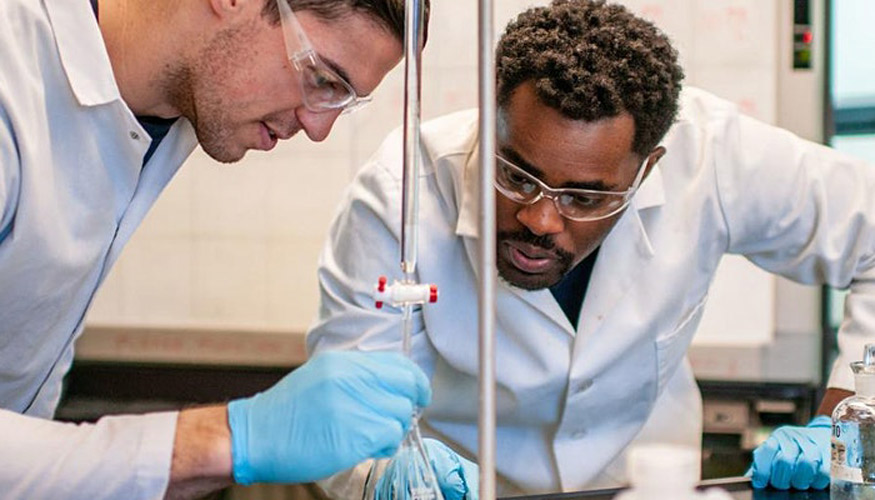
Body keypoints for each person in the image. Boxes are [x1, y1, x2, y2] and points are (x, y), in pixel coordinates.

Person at [307, 0, 875, 497]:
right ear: (491, 119)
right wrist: (382, 475)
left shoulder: (712, 157)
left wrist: (845, 420)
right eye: (518, 175)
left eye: (583, 198)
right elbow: (340, 412)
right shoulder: (399, 193)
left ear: (647, 168)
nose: (539, 218)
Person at [0, 0, 435, 498]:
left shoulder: (166, 107)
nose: (318, 129)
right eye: (322, 79)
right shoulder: (12, 76)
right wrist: (224, 440)